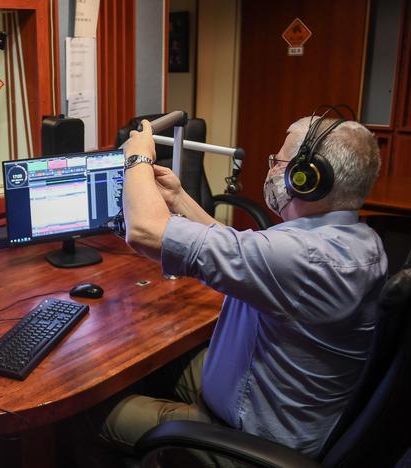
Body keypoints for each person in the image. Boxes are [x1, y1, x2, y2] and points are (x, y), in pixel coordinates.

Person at [101, 112, 387, 460]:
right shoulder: (357, 243)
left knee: (92, 414)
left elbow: (146, 231)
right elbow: (243, 253)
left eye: (278, 162)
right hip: (276, 404)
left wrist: (138, 157)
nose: (270, 170)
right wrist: (179, 199)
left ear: (307, 178)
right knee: (159, 363)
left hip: (250, 442)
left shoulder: (303, 258)